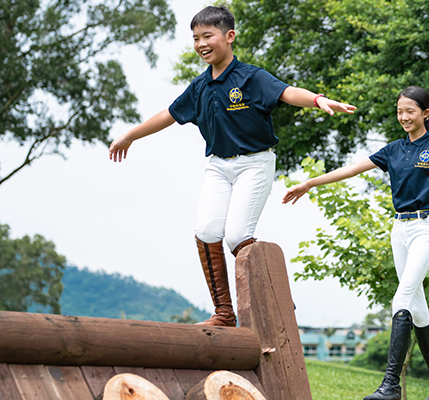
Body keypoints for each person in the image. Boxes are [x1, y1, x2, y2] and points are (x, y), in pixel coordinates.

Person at [108, 6, 356, 327]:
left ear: (229, 36)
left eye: (207, 36)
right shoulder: (199, 87)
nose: (200, 44)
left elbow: (286, 92)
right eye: (195, 38)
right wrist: (130, 136)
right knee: (207, 231)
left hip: (255, 163)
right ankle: (224, 313)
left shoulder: (250, 77)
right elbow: (168, 114)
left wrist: (319, 100)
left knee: (237, 235)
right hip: (218, 166)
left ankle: (275, 294)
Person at [282, 86, 429, 400]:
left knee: (402, 300)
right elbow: (351, 170)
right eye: (400, 112)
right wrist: (309, 183)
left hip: (427, 227)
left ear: (425, 113)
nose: (404, 117)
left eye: (410, 111)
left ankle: (391, 386)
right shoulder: (393, 150)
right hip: (400, 229)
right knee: (419, 310)